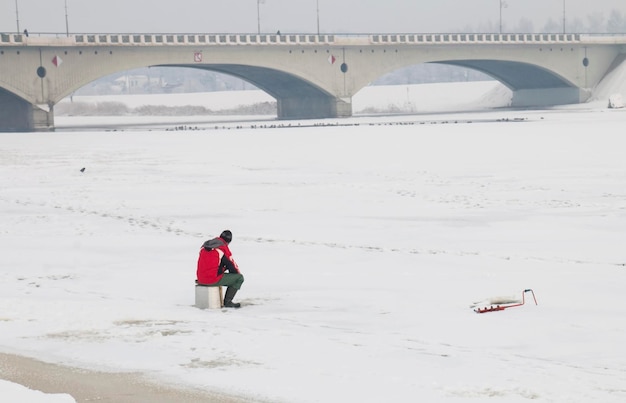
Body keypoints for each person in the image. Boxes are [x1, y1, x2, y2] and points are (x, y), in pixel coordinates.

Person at [196, 230, 244, 308]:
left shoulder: (205, 246)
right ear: (229, 241)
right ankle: (228, 302)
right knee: (239, 278)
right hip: (212, 279)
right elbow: (232, 266)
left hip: (200, 278)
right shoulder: (222, 248)